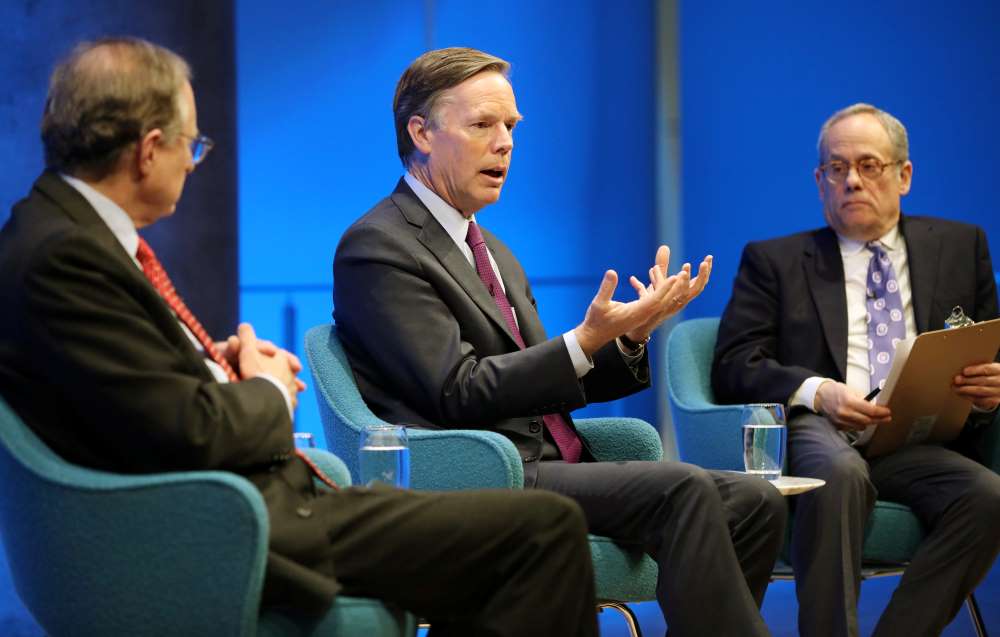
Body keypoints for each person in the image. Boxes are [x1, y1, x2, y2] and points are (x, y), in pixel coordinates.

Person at [0, 37, 602, 637]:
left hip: (264, 501)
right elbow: (187, 431)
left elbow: (135, 396)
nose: (192, 162)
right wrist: (264, 389)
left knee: (525, 533)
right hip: (226, 524)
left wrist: (217, 368)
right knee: (542, 532)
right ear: (148, 151)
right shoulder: (65, 256)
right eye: (192, 145)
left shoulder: (68, 236)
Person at [333, 46, 787, 637]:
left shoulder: (493, 250)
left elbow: (549, 382)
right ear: (421, 132)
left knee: (758, 503)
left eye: (511, 126)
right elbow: (457, 390)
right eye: (482, 125)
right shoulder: (379, 246)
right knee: (684, 487)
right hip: (484, 469)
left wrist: (628, 336)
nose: (505, 143)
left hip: (551, 460)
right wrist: (582, 340)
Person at [712, 103, 1000, 637]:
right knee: (836, 472)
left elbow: (988, 353)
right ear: (819, 181)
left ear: (903, 175)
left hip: (915, 441)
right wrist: (818, 392)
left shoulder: (963, 247)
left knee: (988, 496)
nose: (851, 181)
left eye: (869, 166)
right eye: (836, 169)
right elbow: (732, 365)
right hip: (824, 430)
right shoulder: (773, 261)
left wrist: (989, 391)